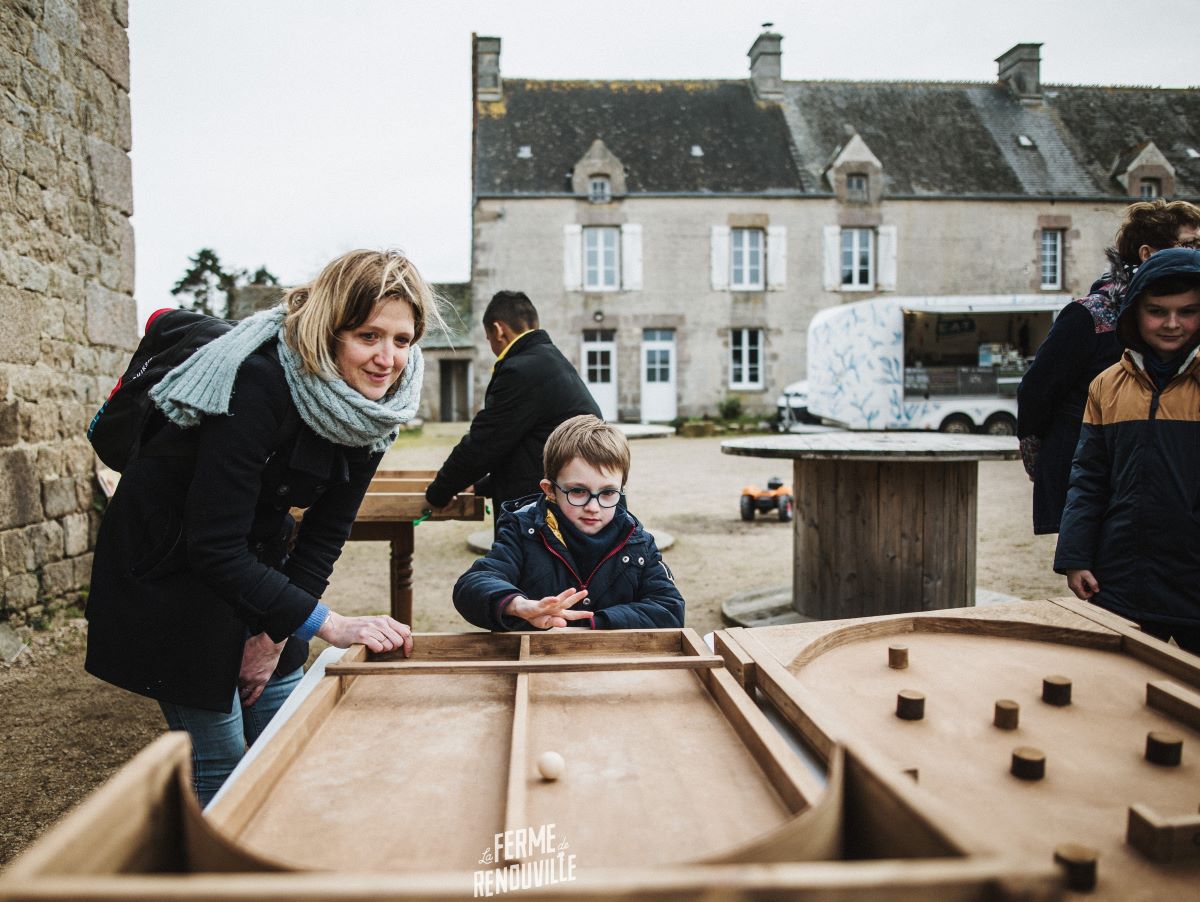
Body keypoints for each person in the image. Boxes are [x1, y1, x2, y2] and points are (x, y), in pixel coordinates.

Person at [85, 249, 439, 804]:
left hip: (254, 562)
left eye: (401, 339)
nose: (386, 358)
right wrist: (328, 624)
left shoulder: (378, 407)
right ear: (330, 330)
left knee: (283, 741)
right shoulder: (259, 380)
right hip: (169, 567)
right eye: (368, 336)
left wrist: (276, 634)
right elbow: (213, 544)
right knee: (222, 763)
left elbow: (324, 535)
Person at [1017, 199, 1200, 534]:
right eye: (1190, 244)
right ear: (1147, 254)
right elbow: (1037, 390)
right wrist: (1039, 458)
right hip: (1093, 468)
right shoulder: (1090, 315)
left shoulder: (1190, 314)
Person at [1054, 248, 1200, 654]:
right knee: (1115, 695)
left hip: (1194, 581)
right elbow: (1089, 477)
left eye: (1188, 311)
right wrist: (1076, 555)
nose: (1172, 324)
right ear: (1134, 311)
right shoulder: (1106, 385)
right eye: (1157, 310)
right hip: (1123, 578)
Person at [453, 415, 684, 631]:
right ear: (550, 490)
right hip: (540, 665)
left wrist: (593, 623)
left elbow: (670, 610)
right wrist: (518, 605)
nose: (593, 507)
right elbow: (472, 585)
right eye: (578, 491)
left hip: (615, 668)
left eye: (608, 493)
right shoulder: (523, 532)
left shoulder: (637, 542)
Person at [424, 291, 600, 533]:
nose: (493, 347)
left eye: (489, 339)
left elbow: (484, 443)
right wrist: (482, 486)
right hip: (575, 498)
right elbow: (528, 444)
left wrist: (438, 493)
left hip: (554, 511)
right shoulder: (549, 360)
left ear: (498, 330)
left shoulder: (521, 370)